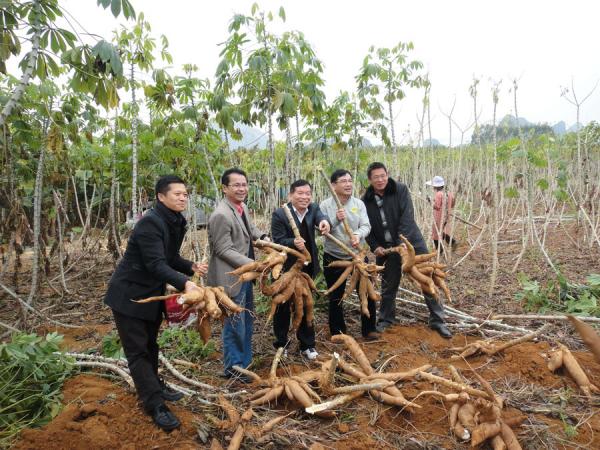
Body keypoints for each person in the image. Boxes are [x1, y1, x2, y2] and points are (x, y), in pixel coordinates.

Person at [104, 175, 208, 431]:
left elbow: (169, 256)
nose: (183, 197)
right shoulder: (150, 223)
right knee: (137, 350)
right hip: (129, 295)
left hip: (151, 293)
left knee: (150, 344)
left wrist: (189, 266)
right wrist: (185, 282)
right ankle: (154, 404)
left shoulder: (173, 220)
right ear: (161, 196)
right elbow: (155, 263)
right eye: (177, 194)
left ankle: (156, 385)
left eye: (185, 193)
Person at [362, 162, 452, 339]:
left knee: (427, 279)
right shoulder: (366, 200)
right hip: (388, 249)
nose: (380, 180)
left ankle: (438, 320)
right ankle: (386, 320)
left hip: (411, 243)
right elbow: (366, 226)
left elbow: (407, 217)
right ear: (370, 180)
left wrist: (402, 242)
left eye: (383, 175)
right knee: (388, 284)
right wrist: (374, 246)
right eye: (376, 177)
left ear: (387, 174)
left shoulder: (400, 189)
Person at [207, 168, 269, 382]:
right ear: (225, 188)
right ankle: (234, 370)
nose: (242, 188)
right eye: (236, 185)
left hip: (244, 277)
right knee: (234, 324)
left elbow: (250, 229)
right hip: (229, 278)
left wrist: (264, 238)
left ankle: (244, 364)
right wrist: (254, 264)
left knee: (246, 320)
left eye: (244, 184)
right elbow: (224, 249)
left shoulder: (241, 207)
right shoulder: (221, 215)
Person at [271, 179, 331, 359]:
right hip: (286, 269)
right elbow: (278, 240)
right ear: (290, 195)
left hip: (306, 268)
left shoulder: (313, 209)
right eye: (300, 193)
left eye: (308, 194)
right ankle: (281, 344)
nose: (305, 197)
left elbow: (321, 216)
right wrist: (292, 242)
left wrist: (324, 222)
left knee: (306, 305)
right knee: (281, 305)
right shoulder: (280, 214)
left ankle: (307, 345)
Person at [319, 169, 379, 341]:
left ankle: (369, 329)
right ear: (333, 185)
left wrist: (358, 235)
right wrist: (336, 219)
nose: (348, 184)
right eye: (343, 181)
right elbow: (322, 230)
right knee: (336, 295)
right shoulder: (325, 206)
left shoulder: (358, 204)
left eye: (350, 181)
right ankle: (338, 332)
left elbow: (366, 226)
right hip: (334, 256)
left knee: (366, 292)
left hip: (357, 256)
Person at [426, 176, 457, 252]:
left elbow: (437, 206)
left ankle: (440, 250)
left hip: (439, 217)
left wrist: (430, 201)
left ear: (435, 186)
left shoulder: (438, 194)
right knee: (441, 231)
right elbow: (453, 203)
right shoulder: (448, 193)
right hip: (446, 217)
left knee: (435, 234)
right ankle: (452, 242)